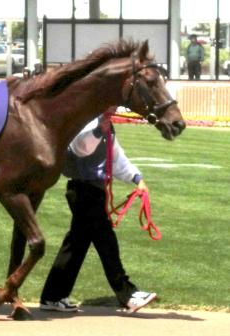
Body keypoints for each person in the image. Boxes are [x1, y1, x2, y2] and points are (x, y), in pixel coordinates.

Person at [39, 111, 157, 313]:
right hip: (84, 191)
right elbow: (80, 147)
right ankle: (128, 294)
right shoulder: (85, 121)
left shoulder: (107, 127)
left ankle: (52, 297)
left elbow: (117, 160)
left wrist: (138, 179)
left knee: (76, 245)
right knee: (106, 242)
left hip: (94, 191)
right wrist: (97, 129)